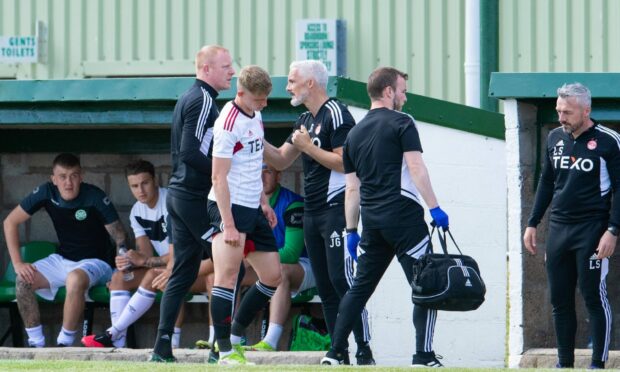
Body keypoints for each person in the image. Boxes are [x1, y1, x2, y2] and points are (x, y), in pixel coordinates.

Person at [320, 67, 449, 367]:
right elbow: (416, 169)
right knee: (425, 286)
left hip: (372, 220)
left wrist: (352, 230)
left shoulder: (353, 134)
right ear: (389, 91)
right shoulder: (403, 122)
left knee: (359, 289)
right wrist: (435, 208)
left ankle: (336, 352)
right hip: (404, 216)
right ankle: (424, 355)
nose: (405, 96)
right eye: (402, 90)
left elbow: (352, 189)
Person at [263, 60, 374, 365]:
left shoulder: (336, 113)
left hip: (336, 209)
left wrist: (309, 148)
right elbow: (282, 160)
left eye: (292, 80)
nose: (287, 87)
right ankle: (339, 351)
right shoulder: (303, 119)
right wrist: (249, 132)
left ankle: (364, 348)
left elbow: (344, 162)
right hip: (312, 213)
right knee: (325, 287)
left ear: (311, 82)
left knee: (342, 280)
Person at [151, 44, 235, 362]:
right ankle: (220, 347)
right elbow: (189, 152)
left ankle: (161, 346)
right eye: (226, 66)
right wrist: (221, 170)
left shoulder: (196, 98)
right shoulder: (201, 100)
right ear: (205, 69)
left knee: (184, 272)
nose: (232, 71)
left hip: (179, 196)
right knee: (231, 261)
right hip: (191, 197)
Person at [523, 83, 616, 370]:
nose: (562, 117)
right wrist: (532, 223)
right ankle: (564, 364)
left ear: (586, 110)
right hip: (559, 230)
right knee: (560, 300)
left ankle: (598, 364)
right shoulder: (554, 138)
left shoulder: (608, 141)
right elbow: (547, 182)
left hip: (592, 231)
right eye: (559, 111)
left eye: (568, 112)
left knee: (593, 297)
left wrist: (612, 230)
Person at [81, 160, 211, 349]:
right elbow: (146, 254)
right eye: (134, 186)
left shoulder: (171, 202)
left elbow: (179, 255)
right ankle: (118, 344)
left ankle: (165, 342)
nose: (140, 190)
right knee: (119, 278)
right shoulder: (136, 211)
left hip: (193, 268)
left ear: (155, 180)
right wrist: (129, 260)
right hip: (168, 267)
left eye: (145, 183)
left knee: (157, 276)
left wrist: (146, 261)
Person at [2, 153, 127, 347]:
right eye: (62, 176)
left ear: (81, 176)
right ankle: (36, 344)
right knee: (23, 281)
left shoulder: (94, 195)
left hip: (96, 262)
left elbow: (119, 235)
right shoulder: (46, 193)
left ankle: (64, 344)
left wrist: (119, 271)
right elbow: (10, 222)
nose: (68, 182)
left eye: (74, 175)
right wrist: (18, 263)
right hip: (63, 259)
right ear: (54, 179)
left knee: (74, 278)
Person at [208, 65, 281, 365]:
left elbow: (252, 163)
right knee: (226, 277)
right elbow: (218, 178)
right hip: (230, 207)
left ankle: (234, 337)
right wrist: (228, 224)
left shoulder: (256, 113)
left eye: (265, 99)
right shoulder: (228, 123)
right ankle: (221, 351)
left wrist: (264, 202)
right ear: (240, 94)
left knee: (273, 277)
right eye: (258, 99)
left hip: (252, 205)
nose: (263, 104)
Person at [242, 163, 314, 351]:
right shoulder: (248, 203)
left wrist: (252, 257)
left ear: (278, 176)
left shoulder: (293, 203)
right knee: (233, 274)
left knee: (279, 272)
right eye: (257, 171)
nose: (262, 177)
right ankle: (231, 338)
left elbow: (291, 254)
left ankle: (270, 341)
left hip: (303, 266)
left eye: (268, 171)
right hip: (267, 265)